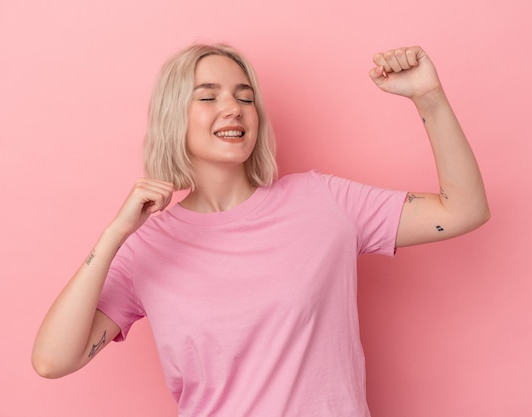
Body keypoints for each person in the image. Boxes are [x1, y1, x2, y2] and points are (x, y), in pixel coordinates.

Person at [32, 43, 489, 416]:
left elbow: (463, 210)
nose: (233, 108)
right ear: (174, 116)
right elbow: (53, 361)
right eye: (209, 97)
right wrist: (115, 235)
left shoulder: (324, 202)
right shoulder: (145, 248)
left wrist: (428, 97)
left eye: (245, 97)